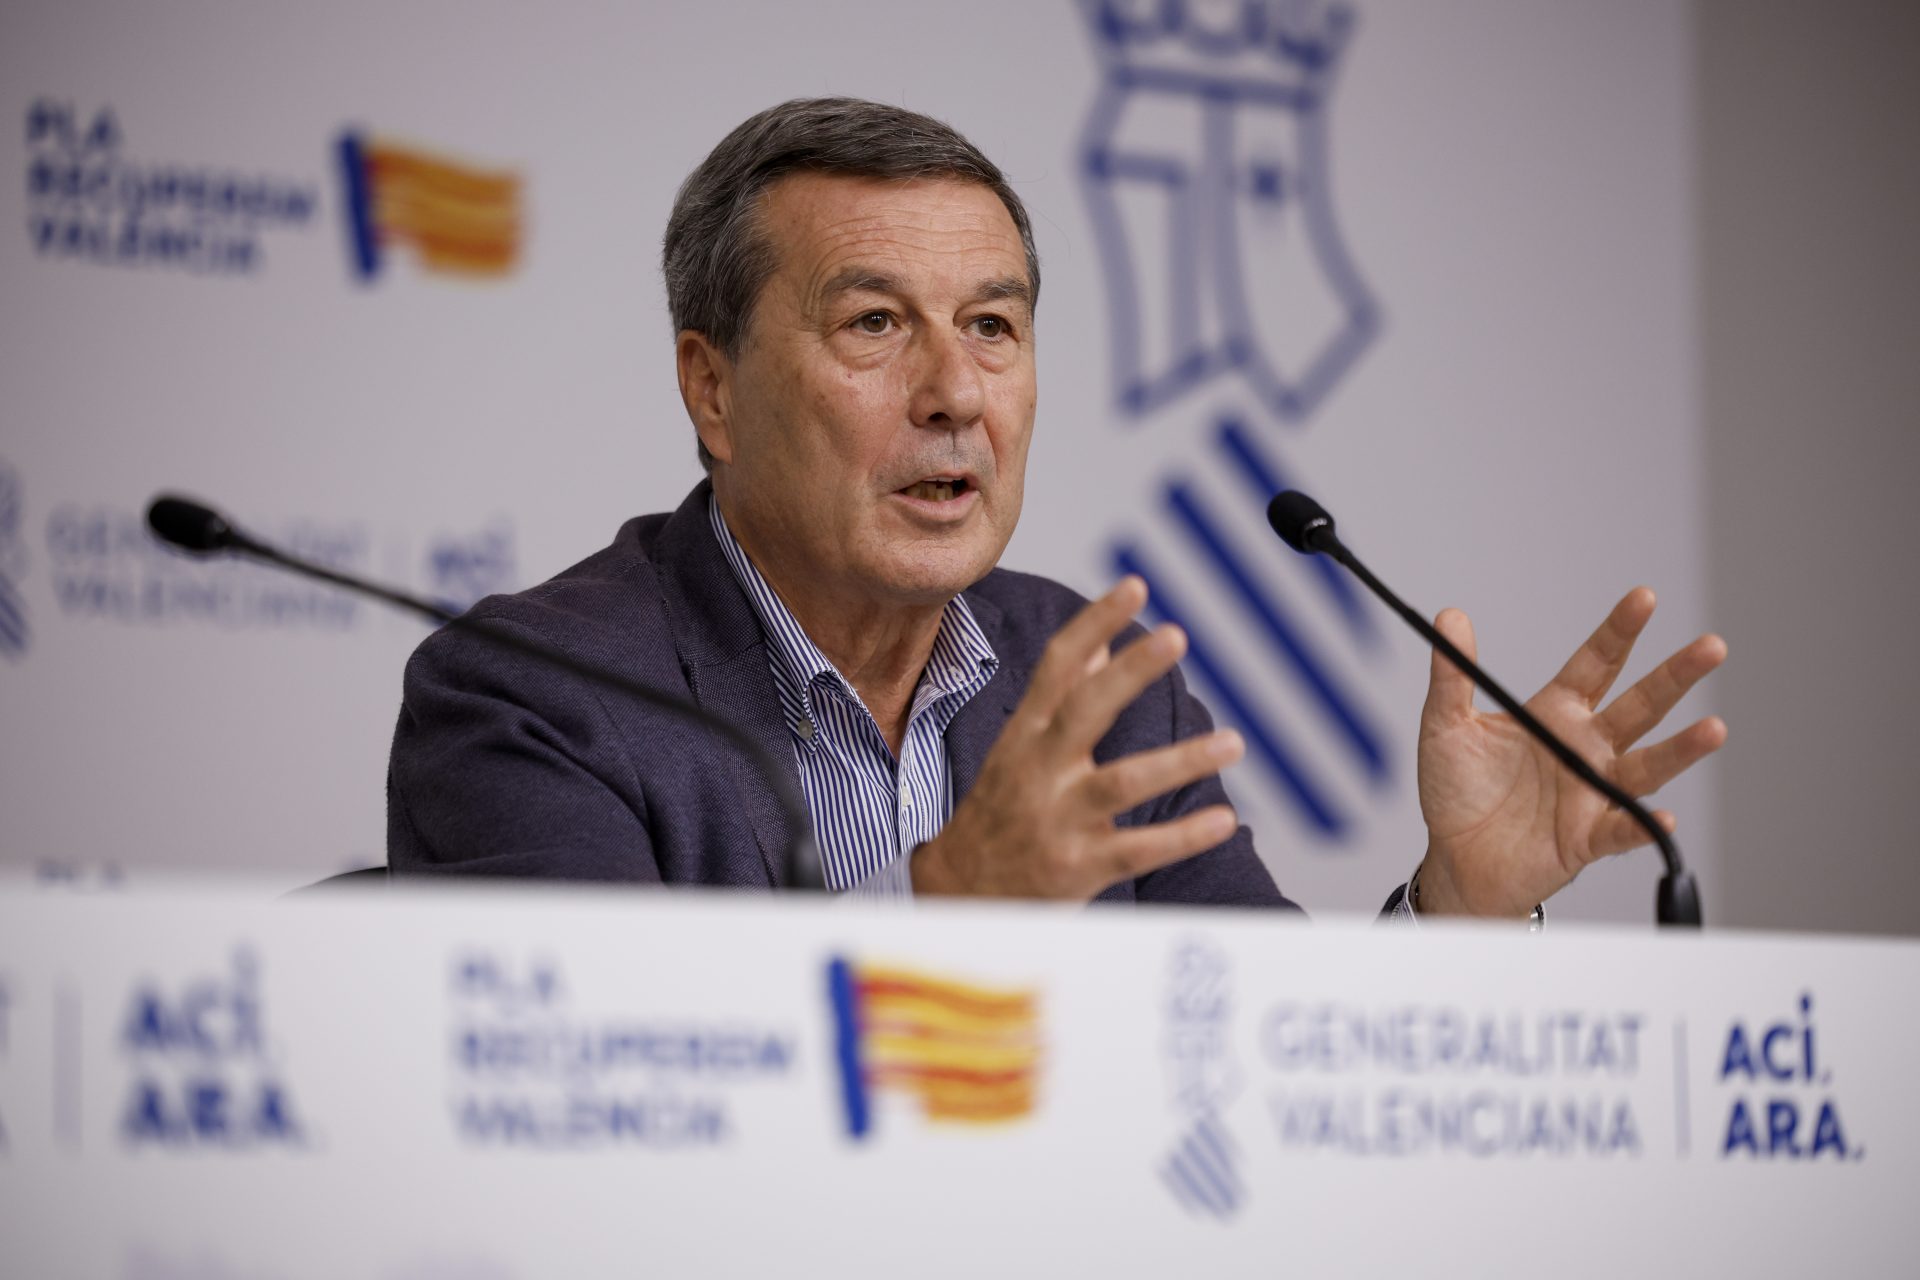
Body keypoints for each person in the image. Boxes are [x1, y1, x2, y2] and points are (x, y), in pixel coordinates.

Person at [388, 98, 1727, 920]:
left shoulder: (1094, 683)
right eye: (874, 324)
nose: (954, 394)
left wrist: (1458, 908)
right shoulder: (528, 695)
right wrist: (938, 914)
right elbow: (592, 1107)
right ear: (713, 387)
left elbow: (1263, 1070)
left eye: (992, 327)